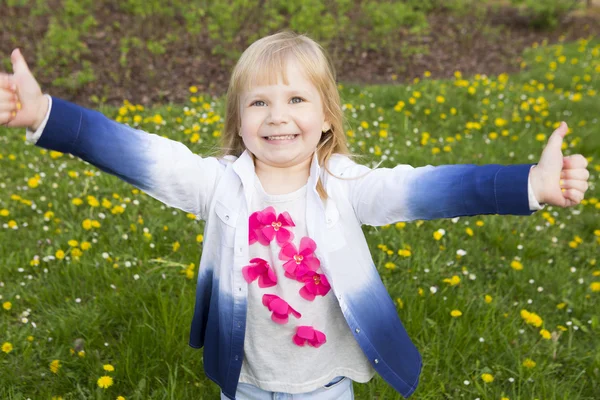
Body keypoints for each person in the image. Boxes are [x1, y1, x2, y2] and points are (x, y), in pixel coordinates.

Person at [0, 30, 590, 399]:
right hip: (247, 379)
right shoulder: (217, 186)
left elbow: (428, 190)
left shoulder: (348, 188)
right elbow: (137, 151)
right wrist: (45, 115)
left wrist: (529, 185)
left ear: (328, 117)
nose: (277, 116)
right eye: (259, 102)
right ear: (238, 122)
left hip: (326, 384)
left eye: (296, 99)